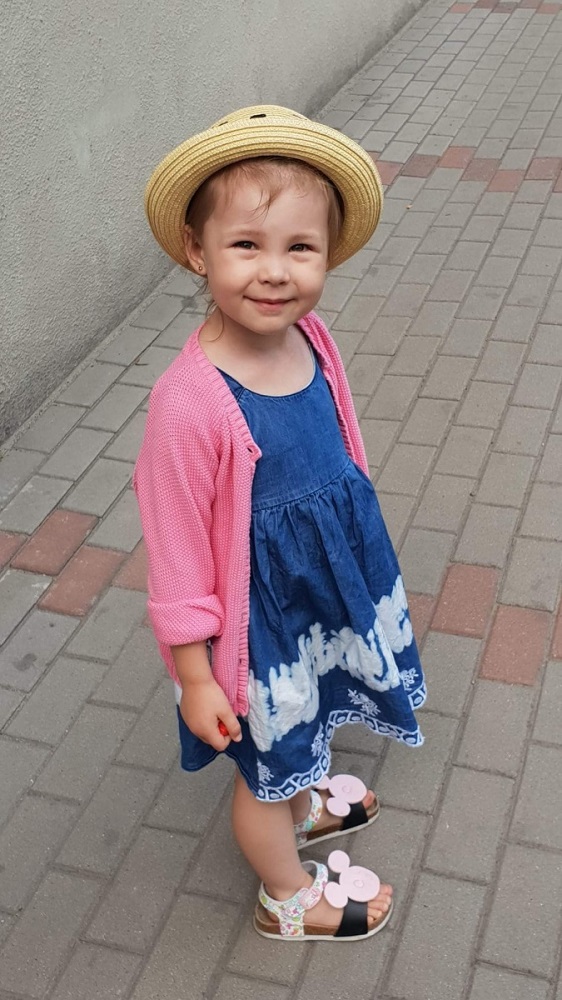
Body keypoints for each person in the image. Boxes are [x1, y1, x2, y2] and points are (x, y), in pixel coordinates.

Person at [134, 105, 426, 943]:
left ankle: (307, 799)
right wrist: (196, 678)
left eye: (300, 248)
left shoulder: (312, 337)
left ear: (327, 254)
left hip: (326, 590)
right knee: (265, 768)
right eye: (245, 245)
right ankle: (286, 894)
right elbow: (177, 557)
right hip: (260, 629)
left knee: (308, 723)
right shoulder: (189, 403)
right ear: (198, 250)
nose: (274, 272)